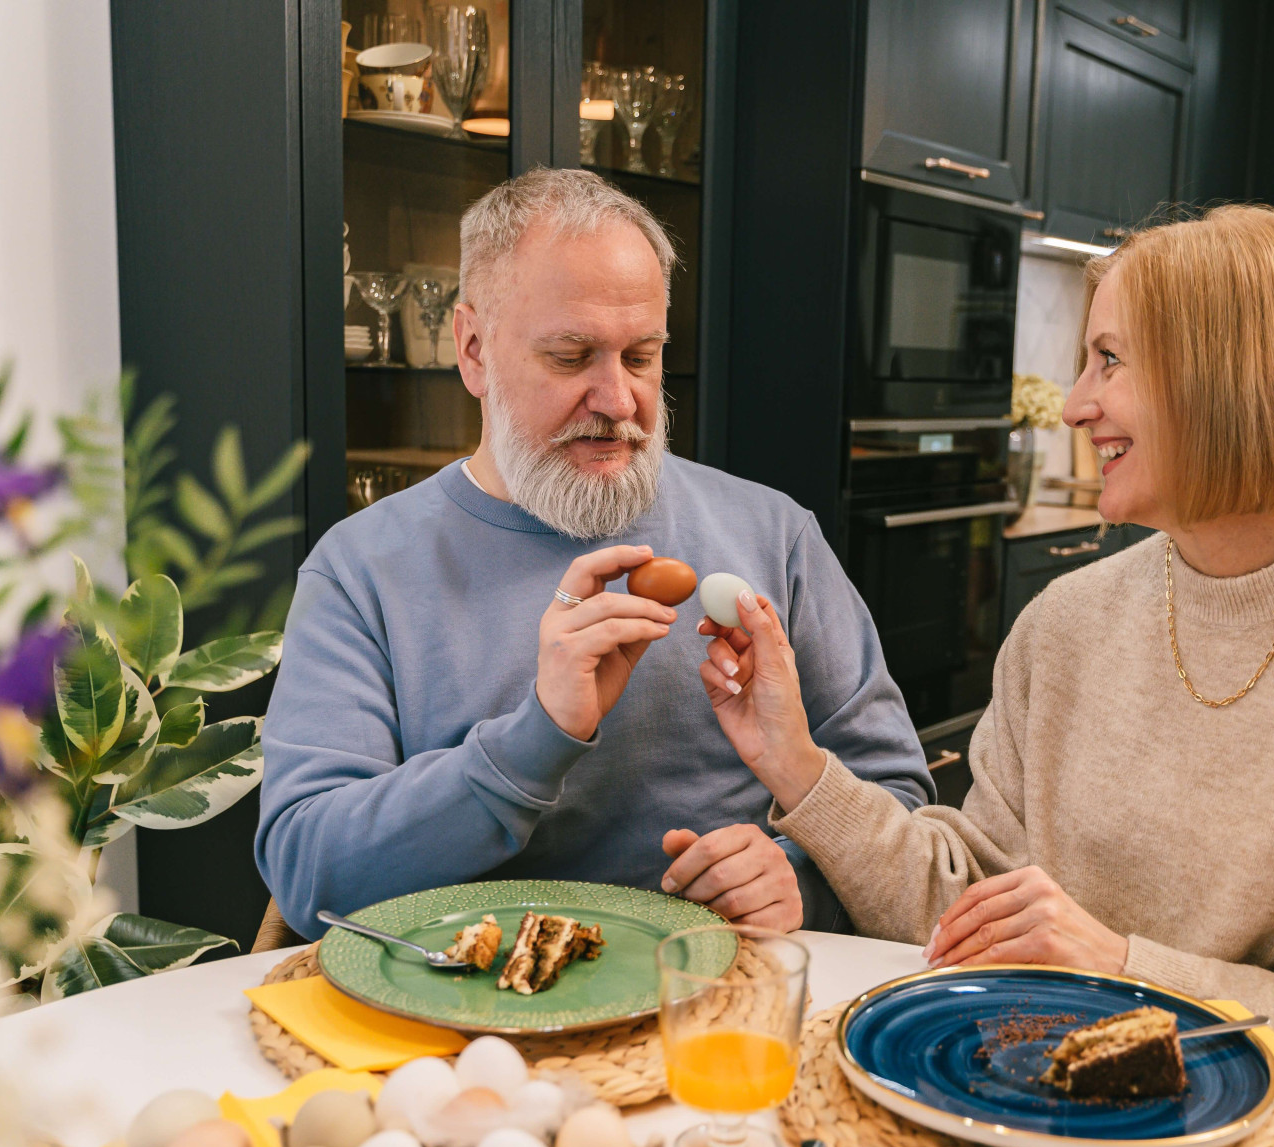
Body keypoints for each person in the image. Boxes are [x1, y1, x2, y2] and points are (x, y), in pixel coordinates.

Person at [686, 205, 1274, 1128]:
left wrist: (1125, 970)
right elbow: (965, 909)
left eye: (1110, 361)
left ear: (1227, 381)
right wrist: (795, 761)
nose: (1077, 402)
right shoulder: (1066, 624)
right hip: (1022, 1110)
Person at [255, 169, 930, 941]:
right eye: (573, 358)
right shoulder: (362, 570)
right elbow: (310, 877)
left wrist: (800, 879)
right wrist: (535, 736)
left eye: (641, 357)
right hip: (467, 1025)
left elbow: (902, 809)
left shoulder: (773, 534)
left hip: (726, 1017)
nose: (618, 400)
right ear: (473, 350)